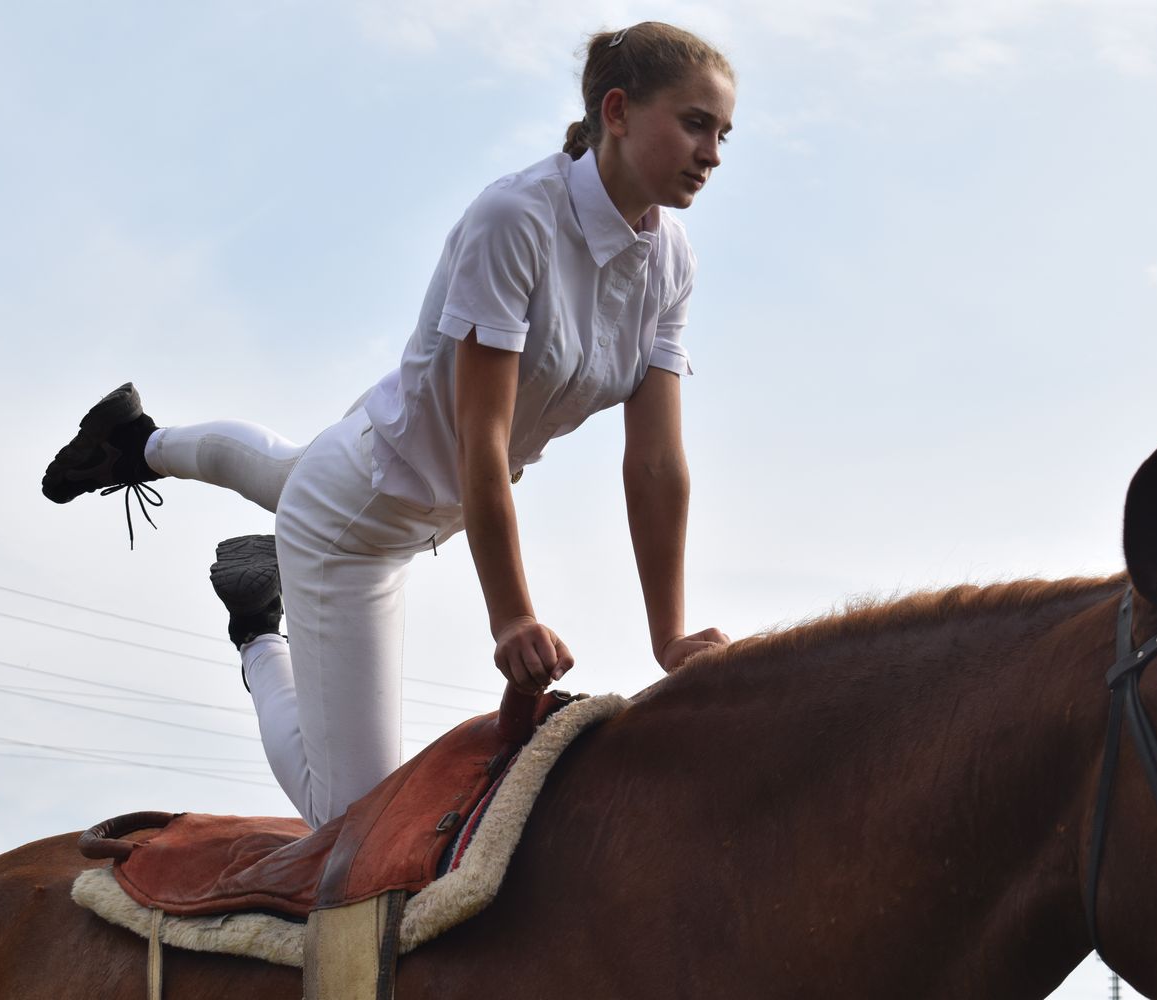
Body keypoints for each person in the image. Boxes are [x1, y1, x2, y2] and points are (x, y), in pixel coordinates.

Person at [41, 21, 735, 829]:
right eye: (694, 123)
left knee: (284, 472)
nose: (713, 152)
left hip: (382, 454)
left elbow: (654, 463)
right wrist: (510, 614)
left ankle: (135, 442)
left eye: (723, 132)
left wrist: (671, 638)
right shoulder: (516, 219)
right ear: (617, 111)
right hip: (354, 527)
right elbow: (483, 436)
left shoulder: (672, 259)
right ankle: (258, 633)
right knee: (350, 819)